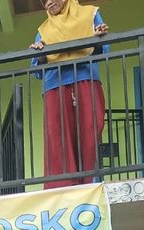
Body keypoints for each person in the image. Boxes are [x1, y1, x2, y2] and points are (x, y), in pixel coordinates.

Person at [30, 0, 110, 189]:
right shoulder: (43, 29)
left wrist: (97, 39)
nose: (49, 3)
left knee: (90, 129)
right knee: (57, 138)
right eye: (44, 1)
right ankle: (62, 186)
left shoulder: (90, 14)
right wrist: (41, 53)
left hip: (85, 80)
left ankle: (89, 183)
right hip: (54, 86)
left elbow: (103, 51)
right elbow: (36, 71)